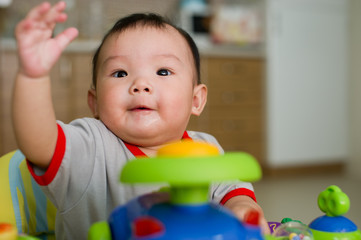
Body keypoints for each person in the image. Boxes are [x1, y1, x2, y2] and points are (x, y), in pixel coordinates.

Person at [12, 1, 269, 239]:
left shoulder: (206, 149)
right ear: (95, 102)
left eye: (163, 71)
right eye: (120, 72)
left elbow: (233, 193)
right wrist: (32, 77)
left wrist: (242, 208)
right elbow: (38, 142)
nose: (141, 84)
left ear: (196, 100)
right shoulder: (91, 144)